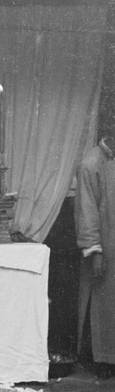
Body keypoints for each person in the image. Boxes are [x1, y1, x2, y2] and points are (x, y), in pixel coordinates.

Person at [74, 134, 115, 377]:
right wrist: (94, 250)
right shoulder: (91, 163)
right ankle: (100, 360)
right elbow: (86, 210)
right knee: (100, 301)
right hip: (104, 246)